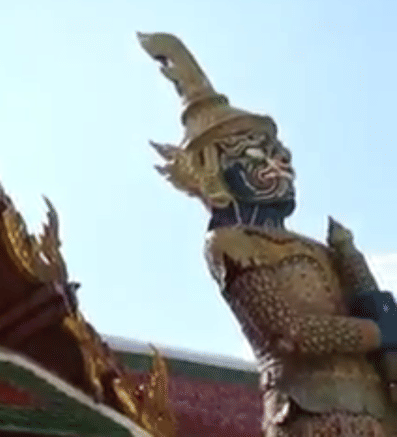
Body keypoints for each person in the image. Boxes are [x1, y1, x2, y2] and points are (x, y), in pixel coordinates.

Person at [140, 31, 397, 437]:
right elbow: (288, 332)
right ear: (216, 171)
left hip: (379, 414)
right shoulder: (230, 243)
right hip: (308, 414)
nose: (281, 164)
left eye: (281, 153)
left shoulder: (325, 251)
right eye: (257, 154)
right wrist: (379, 332)